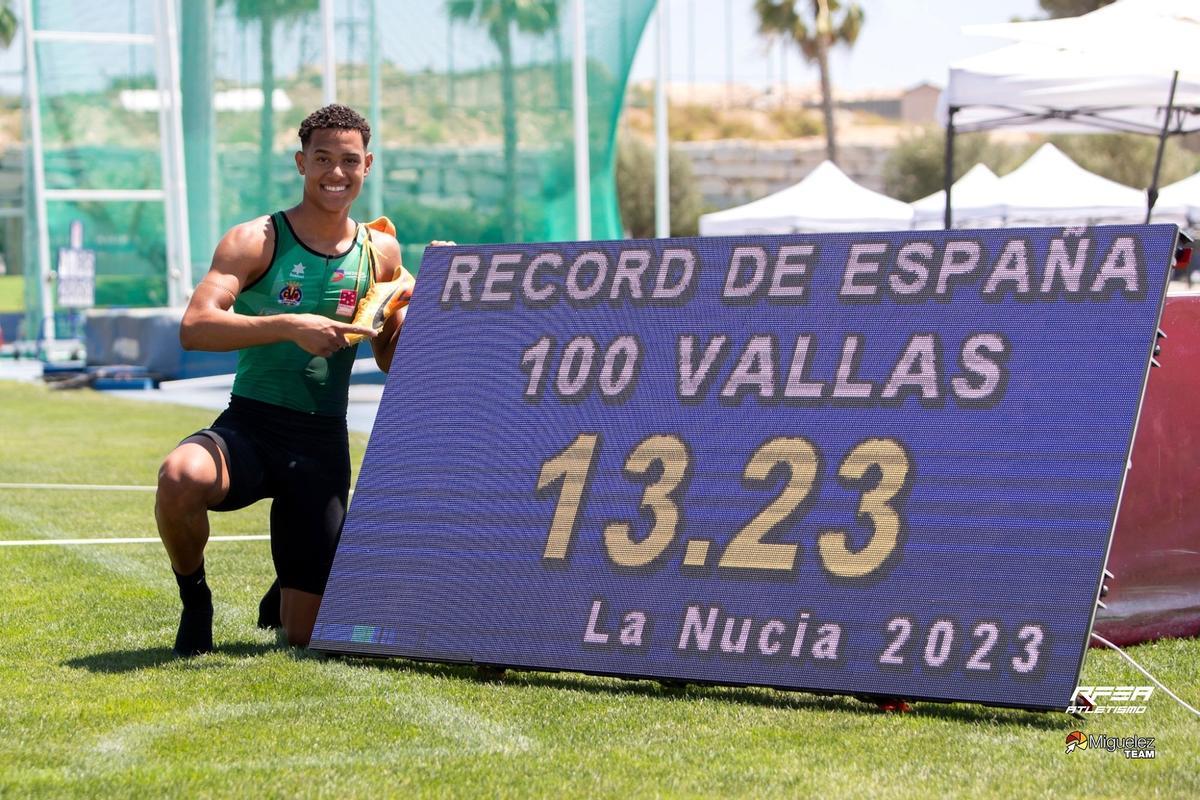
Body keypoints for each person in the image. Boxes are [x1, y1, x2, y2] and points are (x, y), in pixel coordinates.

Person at [155, 104, 411, 655]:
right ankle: (196, 599)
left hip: (321, 440)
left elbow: (389, 358)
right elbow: (194, 328)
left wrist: (409, 324)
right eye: (322, 159)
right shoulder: (257, 239)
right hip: (250, 425)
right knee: (179, 477)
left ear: (367, 165)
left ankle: (286, 584)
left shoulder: (382, 251)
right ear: (301, 162)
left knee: (302, 639)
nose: (335, 173)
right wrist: (287, 326)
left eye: (348, 161)